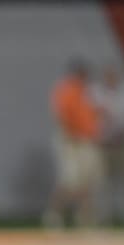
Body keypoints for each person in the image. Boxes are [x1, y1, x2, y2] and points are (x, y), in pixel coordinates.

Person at [44, 60, 102, 229]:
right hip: (71, 141)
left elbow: (94, 114)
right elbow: (61, 116)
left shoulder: (88, 91)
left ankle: (85, 217)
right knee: (69, 180)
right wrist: (70, 136)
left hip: (87, 140)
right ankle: (54, 214)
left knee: (88, 180)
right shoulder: (66, 90)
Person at [92, 63, 124, 226]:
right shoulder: (96, 93)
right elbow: (93, 117)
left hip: (123, 143)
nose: (111, 79)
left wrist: (123, 130)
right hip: (103, 145)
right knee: (102, 182)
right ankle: (104, 218)